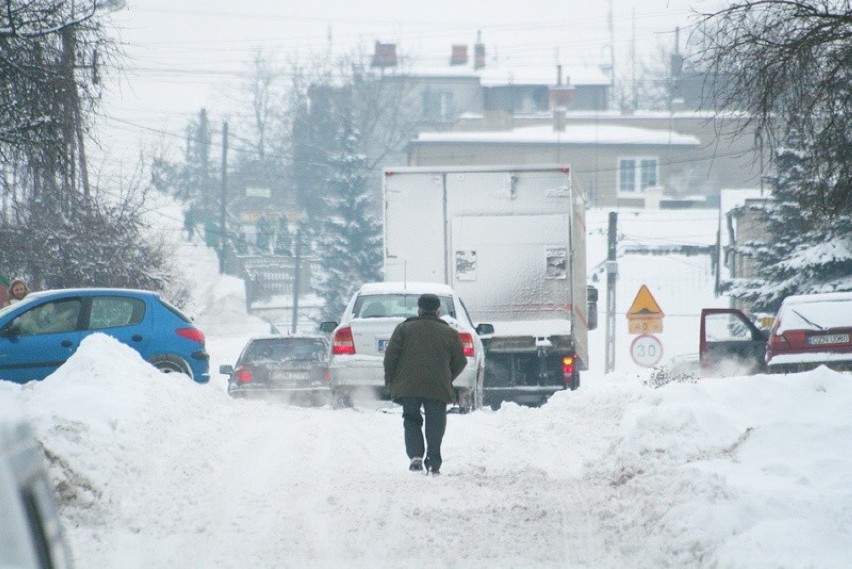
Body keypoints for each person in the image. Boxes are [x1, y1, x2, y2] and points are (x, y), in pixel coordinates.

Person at [383, 293, 467, 475]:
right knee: (436, 422)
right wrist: (447, 376)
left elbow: (390, 358)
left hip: (408, 386)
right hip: (438, 386)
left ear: (419, 310)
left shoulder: (403, 329)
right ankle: (434, 461)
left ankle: (415, 456)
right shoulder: (450, 333)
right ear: (438, 312)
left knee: (411, 419)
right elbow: (461, 361)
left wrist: (391, 381)